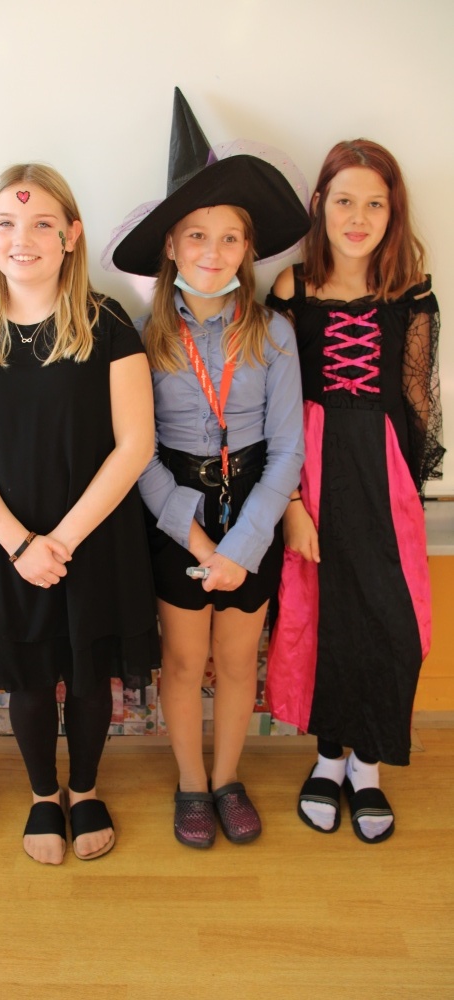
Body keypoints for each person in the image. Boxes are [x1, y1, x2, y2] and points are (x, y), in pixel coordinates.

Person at [0, 163, 158, 865]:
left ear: (71, 235)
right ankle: (43, 795)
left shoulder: (106, 322)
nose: (22, 238)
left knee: (90, 675)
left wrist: (58, 540)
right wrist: (19, 544)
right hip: (4, 540)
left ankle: (84, 788)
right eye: (7, 222)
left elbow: (135, 443)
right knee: (28, 677)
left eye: (41, 223)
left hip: (93, 533)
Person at [108, 89, 309, 848]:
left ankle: (228, 778)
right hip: (175, 512)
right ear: (170, 245)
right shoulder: (141, 338)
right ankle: (191, 782)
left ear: (248, 248)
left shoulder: (276, 333)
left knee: (235, 657)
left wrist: (243, 546)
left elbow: (288, 450)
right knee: (185, 658)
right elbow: (137, 451)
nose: (212, 252)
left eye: (229, 238)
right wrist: (196, 542)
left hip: (253, 505)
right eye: (197, 235)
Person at [265, 139, 444, 843]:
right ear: (320, 205)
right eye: (345, 200)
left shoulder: (411, 290)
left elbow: (417, 399)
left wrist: (411, 492)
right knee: (324, 616)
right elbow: (274, 405)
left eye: (375, 203)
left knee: (391, 621)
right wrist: (290, 502)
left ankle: (369, 765)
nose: (359, 217)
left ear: (393, 212)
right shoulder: (292, 289)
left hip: (385, 473)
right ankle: (330, 759)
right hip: (311, 471)